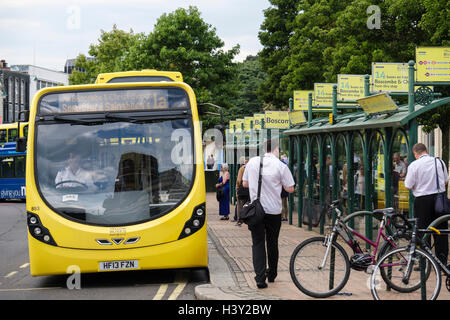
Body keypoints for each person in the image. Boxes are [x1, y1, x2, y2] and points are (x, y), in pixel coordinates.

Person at [242, 139, 295, 288]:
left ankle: (260, 279)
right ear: (276, 149)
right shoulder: (280, 165)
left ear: (264, 149)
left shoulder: (252, 162)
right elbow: (290, 188)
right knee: (272, 242)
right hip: (273, 211)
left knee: (257, 243)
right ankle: (271, 274)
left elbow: (245, 184)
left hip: (255, 210)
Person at [404, 143, 449, 265]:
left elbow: (408, 186)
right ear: (426, 151)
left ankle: (426, 263)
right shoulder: (439, 162)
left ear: (415, 153)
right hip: (440, 200)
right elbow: (445, 181)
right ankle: (442, 262)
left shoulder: (414, 165)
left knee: (423, 232)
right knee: (441, 231)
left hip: (422, 201)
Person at [235, 157, 248, 226]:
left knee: (240, 205)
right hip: (250, 189)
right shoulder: (251, 168)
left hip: (242, 188)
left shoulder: (242, 168)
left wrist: (237, 188)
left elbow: (239, 180)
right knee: (248, 204)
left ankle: (240, 220)